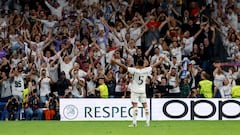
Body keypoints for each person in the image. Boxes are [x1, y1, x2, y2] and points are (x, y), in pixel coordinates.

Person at [111, 56, 164, 127]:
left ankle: (134, 123)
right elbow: (155, 65)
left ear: (137, 64)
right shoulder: (146, 70)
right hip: (142, 90)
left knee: (135, 106)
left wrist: (115, 62)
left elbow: (123, 66)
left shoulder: (134, 70)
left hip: (135, 90)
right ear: (143, 64)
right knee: (145, 106)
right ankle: (148, 122)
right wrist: (161, 60)